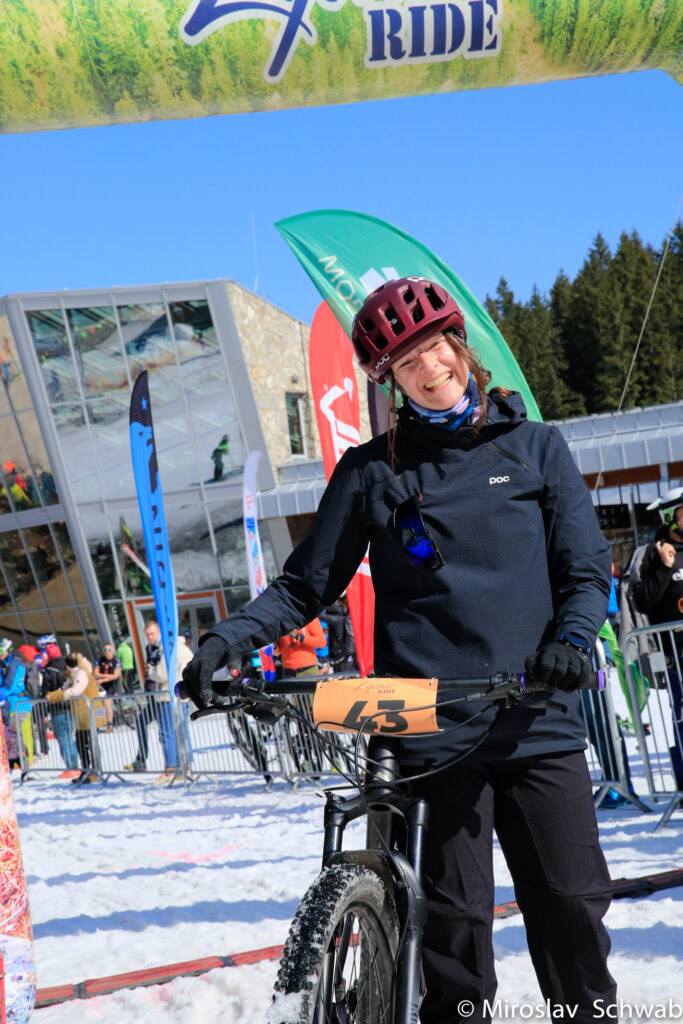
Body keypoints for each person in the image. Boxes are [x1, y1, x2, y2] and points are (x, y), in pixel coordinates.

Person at [182, 276, 616, 1023]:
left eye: (435, 348)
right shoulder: (370, 471)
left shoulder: (536, 448)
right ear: (390, 380)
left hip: (535, 718)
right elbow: (304, 585)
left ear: (461, 347)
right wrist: (224, 641)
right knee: (451, 930)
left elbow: (585, 571)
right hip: (427, 725)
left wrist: (572, 640)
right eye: (407, 362)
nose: (428, 368)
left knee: (570, 908)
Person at [632, 486, 683, 790]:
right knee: (682, 716)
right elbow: (642, 602)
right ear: (669, 516)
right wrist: (664, 568)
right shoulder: (653, 553)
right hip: (677, 653)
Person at [126, 623, 193, 783]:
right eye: (147, 634)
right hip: (180, 695)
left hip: (167, 697)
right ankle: (185, 768)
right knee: (181, 733)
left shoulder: (169, 650)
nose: (150, 637)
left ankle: (171, 769)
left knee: (167, 734)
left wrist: (151, 671)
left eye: (152, 633)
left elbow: (162, 674)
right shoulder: (184, 649)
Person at [47, 655, 101, 784]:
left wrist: (55, 696)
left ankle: (93, 771)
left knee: (88, 743)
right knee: (82, 743)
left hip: (88, 712)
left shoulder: (81, 674)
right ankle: (87, 770)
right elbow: (67, 687)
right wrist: (57, 693)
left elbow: (76, 690)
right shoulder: (75, 674)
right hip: (83, 713)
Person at [41, 639, 80, 779]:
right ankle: (75, 765)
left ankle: (70, 767)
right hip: (70, 706)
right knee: (70, 737)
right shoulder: (68, 667)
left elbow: (45, 691)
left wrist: (45, 710)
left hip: (57, 707)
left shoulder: (49, 671)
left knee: (63, 738)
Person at [94, 641, 122, 730]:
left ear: (112, 650)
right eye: (105, 650)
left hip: (111, 685)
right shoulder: (100, 659)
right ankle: (100, 723)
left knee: (107, 703)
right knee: (98, 703)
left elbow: (115, 676)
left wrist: (103, 679)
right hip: (101, 685)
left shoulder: (116, 660)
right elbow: (96, 674)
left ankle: (110, 724)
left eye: (109, 650)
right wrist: (106, 676)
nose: (107, 652)